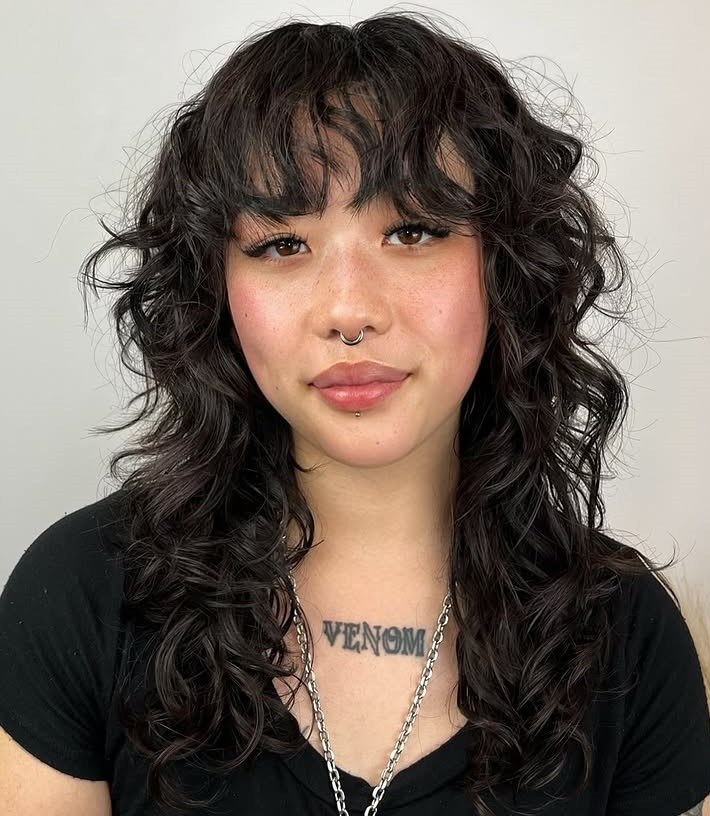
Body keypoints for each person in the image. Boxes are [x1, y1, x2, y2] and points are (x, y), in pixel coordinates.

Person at [1, 10, 708, 816]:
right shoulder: (81, 595)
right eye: (280, 244)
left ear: (504, 267)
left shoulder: (627, 637)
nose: (348, 309)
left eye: (412, 230)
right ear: (216, 292)